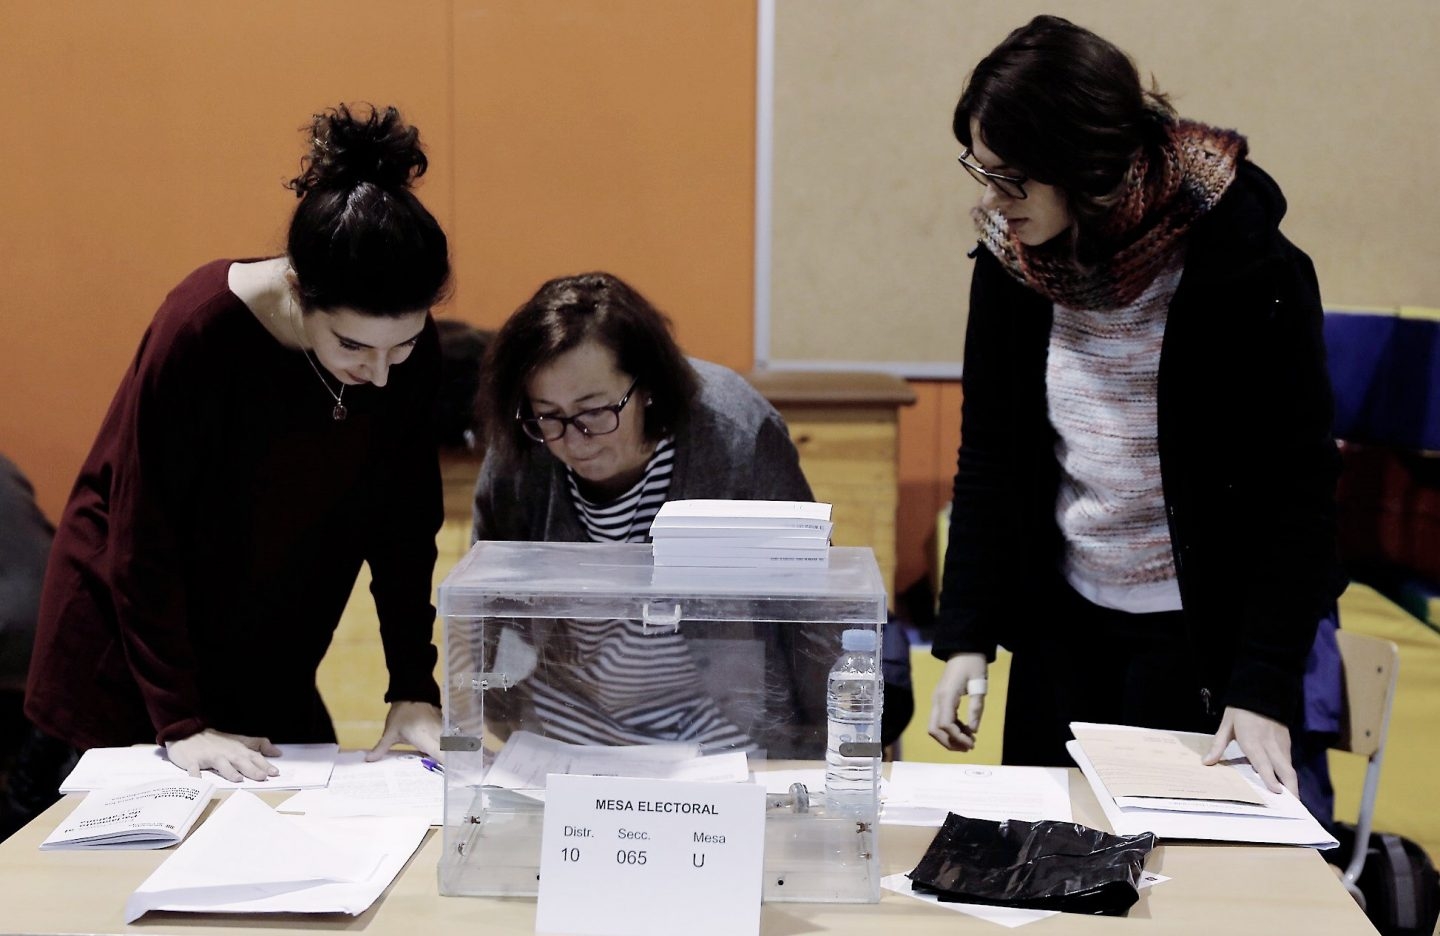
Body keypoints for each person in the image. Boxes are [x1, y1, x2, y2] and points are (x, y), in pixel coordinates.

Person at [926, 16, 1343, 797]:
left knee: (1185, 892)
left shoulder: (1244, 261)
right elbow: (992, 455)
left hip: (1207, 637)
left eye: (1010, 176)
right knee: (1052, 882)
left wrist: (1262, 684)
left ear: (1079, 163)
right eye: (981, 170)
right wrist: (967, 638)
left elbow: (1301, 490)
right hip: (1066, 624)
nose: (991, 198)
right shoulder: (1011, 265)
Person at [20, 104, 451, 813]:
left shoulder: (407, 355)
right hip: (129, 653)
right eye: (352, 347)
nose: (380, 374)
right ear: (295, 288)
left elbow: (405, 523)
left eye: (399, 347)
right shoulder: (199, 328)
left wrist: (413, 687)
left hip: (268, 636)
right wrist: (180, 723)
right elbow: (142, 529)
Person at [471, 272, 838, 757]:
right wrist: (498, 716)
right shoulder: (526, 443)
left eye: (595, 410)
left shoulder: (736, 436)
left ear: (646, 387)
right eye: (549, 413)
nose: (574, 438)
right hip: (566, 726)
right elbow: (490, 600)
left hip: (716, 728)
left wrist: (817, 750)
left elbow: (807, 604)